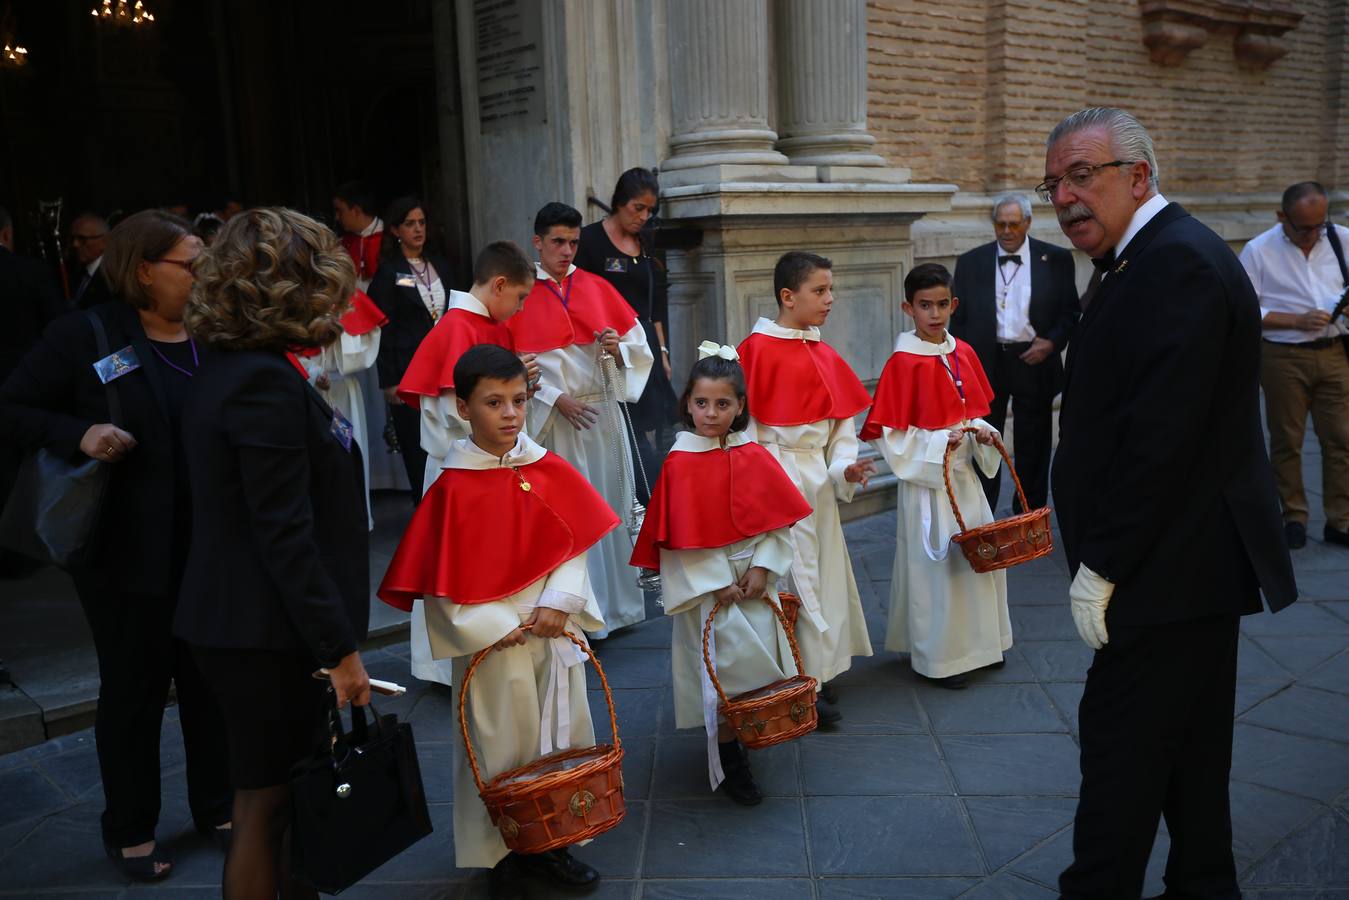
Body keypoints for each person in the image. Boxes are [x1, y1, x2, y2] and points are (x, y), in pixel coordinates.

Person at [1040, 107, 1297, 898]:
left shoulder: (1174, 263)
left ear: (1138, 176)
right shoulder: (1140, 256)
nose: (1064, 197)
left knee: (1119, 751)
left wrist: (1103, 567)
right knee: (1188, 751)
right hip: (1183, 567)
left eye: (1081, 176)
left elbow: (1161, 439)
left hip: (1165, 571)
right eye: (1053, 183)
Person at [0, 209, 232, 880]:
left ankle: (217, 805)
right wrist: (80, 434)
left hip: (208, 548)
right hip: (123, 556)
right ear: (143, 270)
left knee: (208, 685)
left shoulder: (214, 335)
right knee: (133, 692)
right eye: (191, 264)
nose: (204, 274)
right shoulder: (85, 335)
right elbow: (11, 407)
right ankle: (130, 828)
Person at [174, 208, 372, 900]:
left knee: (274, 799)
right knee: (264, 804)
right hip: (262, 633)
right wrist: (339, 650)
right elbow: (282, 535)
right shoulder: (258, 381)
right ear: (294, 286)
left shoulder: (235, 368)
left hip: (247, 625)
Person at [377, 345, 616, 899]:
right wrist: (492, 625)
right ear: (463, 407)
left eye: (518, 400)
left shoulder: (545, 467)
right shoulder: (450, 487)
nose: (510, 414)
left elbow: (572, 543)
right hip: (494, 644)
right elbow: (440, 581)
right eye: (493, 402)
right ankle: (504, 854)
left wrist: (560, 600)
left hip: (554, 627)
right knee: (497, 748)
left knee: (558, 738)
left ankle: (555, 842)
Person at [630, 344, 812, 806]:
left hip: (754, 581)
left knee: (756, 669)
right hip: (710, 589)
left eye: (723, 404)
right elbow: (677, 539)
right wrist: (716, 580)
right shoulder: (679, 462)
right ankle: (730, 756)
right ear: (687, 403)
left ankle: (751, 727)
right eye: (702, 403)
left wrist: (765, 566)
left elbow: (778, 524)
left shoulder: (754, 453)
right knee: (722, 672)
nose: (711, 414)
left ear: (740, 406)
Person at [736, 251, 874, 724]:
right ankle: (795, 684)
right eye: (820, 291)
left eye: (831, 290)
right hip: (776, 481)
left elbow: (843, 432)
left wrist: (845, 469)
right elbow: (744, 431)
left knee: (824, 578)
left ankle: (820, 670)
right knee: (790, 581)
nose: (830, 300)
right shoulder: (751, 352)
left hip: (817, 485)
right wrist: (763, 488)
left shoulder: (823, 353)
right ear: (787, 296)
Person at [394, 240, 538, 687]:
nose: (519, 310)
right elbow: (442, 420)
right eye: (519, 298)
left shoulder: (482, 323)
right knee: (458, 561)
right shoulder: (459, 329)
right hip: (461, 467)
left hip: (488, 463)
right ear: (499, 285)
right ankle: (444, 662)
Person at [861, 263, 1009, 690]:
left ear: (954, 304)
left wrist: (984, 433)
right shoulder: (902, 363)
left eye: (942, 304)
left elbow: (977, 412)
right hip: (930, 483)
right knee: (939, 568)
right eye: (925, 305)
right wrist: (937, 444)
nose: (935, 313)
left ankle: (986, 644)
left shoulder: (962, 353)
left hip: (965, 482)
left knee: (981, 562)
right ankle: (942, 658)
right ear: (908, 308)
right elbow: (889, 433)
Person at [512, 201, 654, 637]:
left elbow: (639, 351)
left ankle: (616, 609)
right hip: (556, 423)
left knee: (608, 511)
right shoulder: (520, 294)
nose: (567, 250)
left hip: (602, 417)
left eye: (573, 242)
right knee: (569, 517)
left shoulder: (596, 286)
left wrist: (616, 349)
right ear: (537, 243)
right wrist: (554, 399)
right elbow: (512, 366)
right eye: (557, 241)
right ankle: (577, 615)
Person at [950, 192, 1079, 512]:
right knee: (983, 441)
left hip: (1033, 360)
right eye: (1000, 224)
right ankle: (982, 513)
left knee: (1033, 444)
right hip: (986, 364)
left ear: (1028, 223)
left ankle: (1029, 513)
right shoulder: (970, 262)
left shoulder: (1057, 259)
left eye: (1013, 224)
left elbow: (1070, 313)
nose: (1007, 231)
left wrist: (1050, 343)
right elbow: (959, 321)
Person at [1239, 181, 1349, 550]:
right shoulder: (1259, 250)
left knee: (1341, 440)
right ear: (1281, 216)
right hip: (1283, 356)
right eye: (1304, 227)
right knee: (1287, 440)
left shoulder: (1341, 239)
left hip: (1334, 352)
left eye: (1320, 225)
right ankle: (1294, 518)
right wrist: (1294, 320)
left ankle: (1341, 520)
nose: (1313, 234)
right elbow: (1244, 308)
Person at [575, 168, 678, 491]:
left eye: (650, 210)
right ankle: (646, 494)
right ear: (619, 202)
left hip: (645, 344)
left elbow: (656, 304)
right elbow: (578, 297)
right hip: (611, 345)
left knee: (655, 423)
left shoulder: (645, 241)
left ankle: (656, 491)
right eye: (638, 208)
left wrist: (662, 352)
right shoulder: (589, 240)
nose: (644, 217)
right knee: (627, 423)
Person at [368, 195, 457, 499]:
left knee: (447, 438)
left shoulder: (441, 265)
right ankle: (424, 506)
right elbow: (383, 328)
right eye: (409, 224)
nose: (418, 229)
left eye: (421, 222)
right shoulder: (389, 272)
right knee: (415, 441)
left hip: (445, 368)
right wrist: (389, 380)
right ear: (395, 230)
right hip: (407, 369)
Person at [294, 288, 388, 529]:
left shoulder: (348, 296)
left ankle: (354, 517)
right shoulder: (295, 294)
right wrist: (313, 373)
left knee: (349, 452)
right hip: (309, 391)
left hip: (343, 388)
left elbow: (363, 342)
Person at [333, 181, 383, 291]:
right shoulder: (341, 244)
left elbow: (409, 280)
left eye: (340, 211)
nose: (336, 217)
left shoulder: (390, 237)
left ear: (356, 211)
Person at [70, 212, 113, 309]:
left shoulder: (112, 277)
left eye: (82, 239)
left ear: (105, 241)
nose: (75, 244)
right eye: (72, 239)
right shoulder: (77, 272)